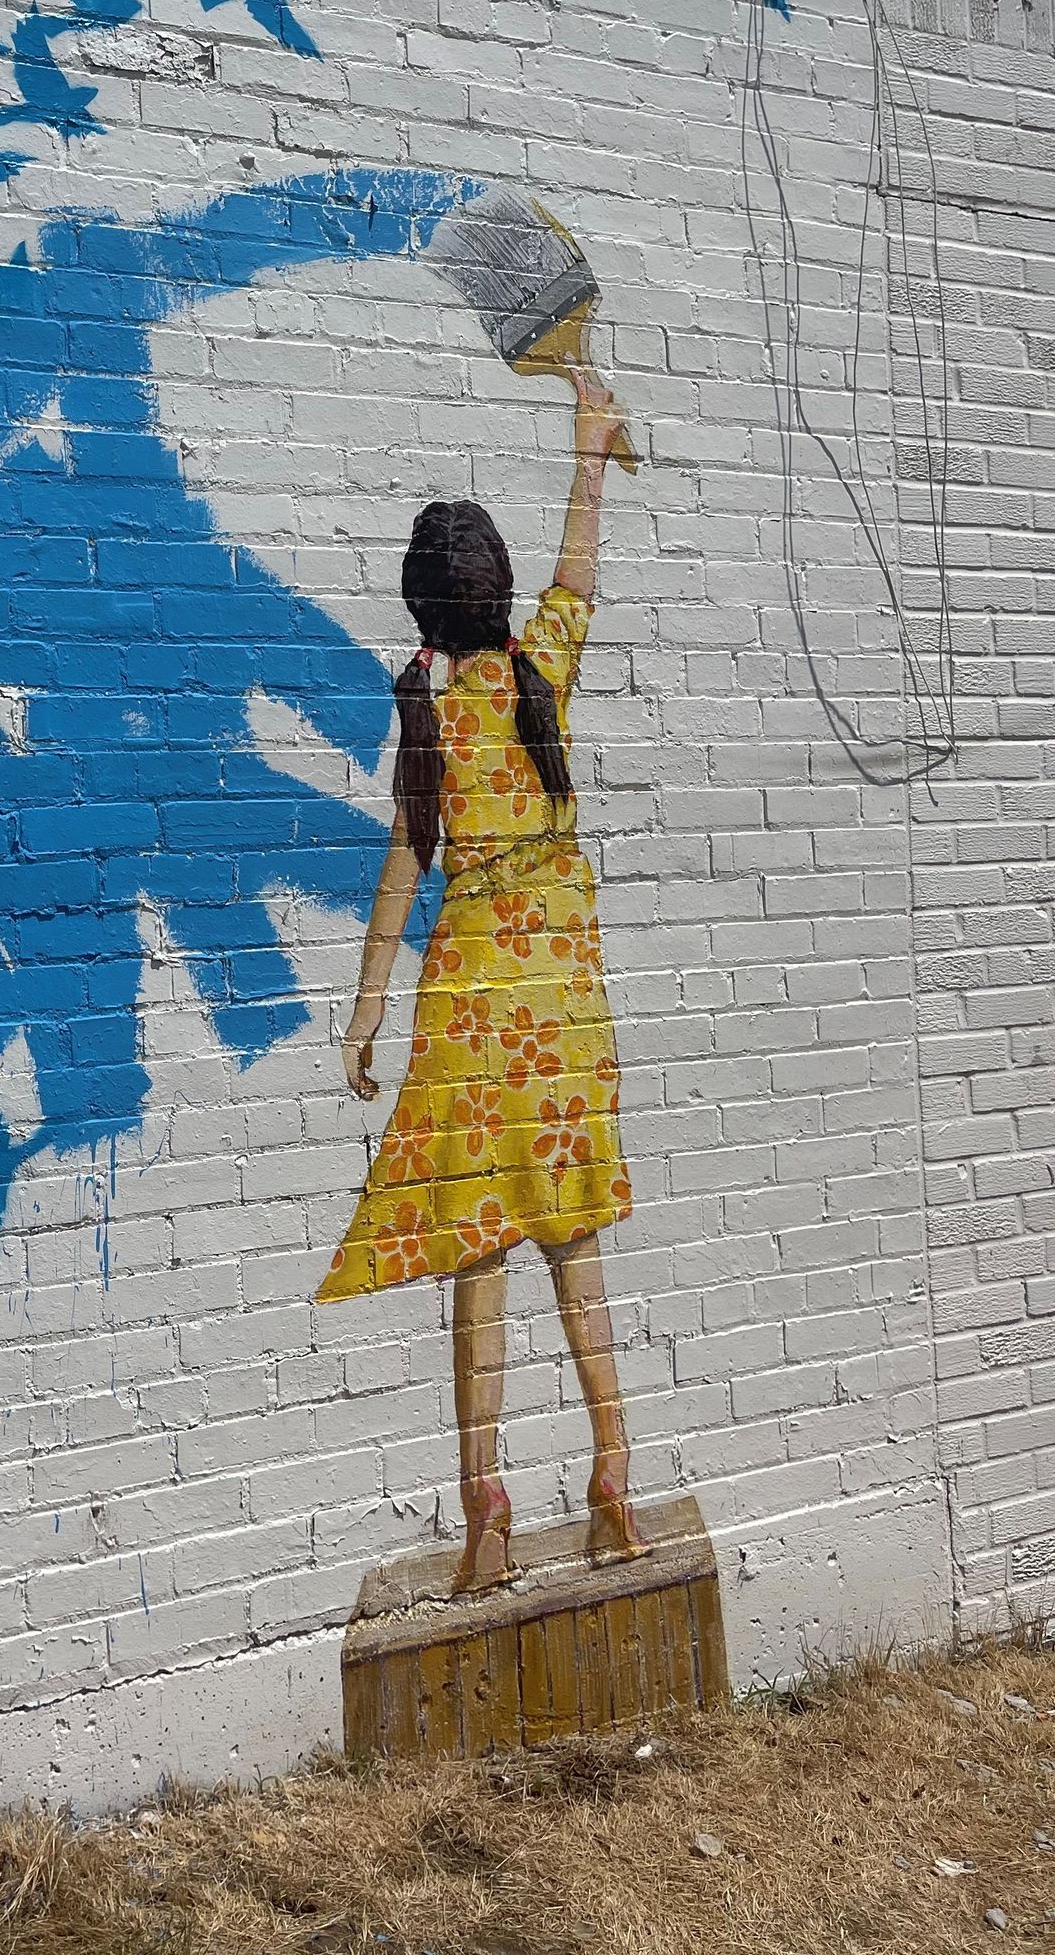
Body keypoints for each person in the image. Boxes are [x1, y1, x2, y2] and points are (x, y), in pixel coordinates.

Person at [317, 372, 644, 1596]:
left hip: (468, 1010)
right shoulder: (542, 673)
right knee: (575, 1250)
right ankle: (614, 1471)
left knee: (477, 1264)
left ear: (421, 609)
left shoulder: (432, 715)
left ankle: (488, 1511)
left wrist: (364, 1011)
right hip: (560, 1004)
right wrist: (590, 443)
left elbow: (405, 864)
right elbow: (581, 564)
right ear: (499, 596)